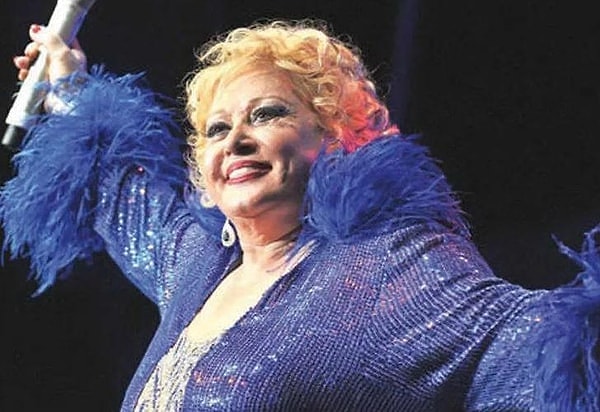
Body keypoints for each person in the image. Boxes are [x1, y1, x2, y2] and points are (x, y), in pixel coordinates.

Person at [3, 20, 599, 411]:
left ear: (335, 136)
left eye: (266, 114)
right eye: (217, 129)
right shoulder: (196, 265)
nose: (235, 140)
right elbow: (124, 188)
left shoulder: (384, 268)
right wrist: (68, 87)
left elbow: (529, 342)